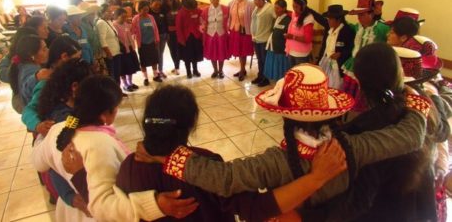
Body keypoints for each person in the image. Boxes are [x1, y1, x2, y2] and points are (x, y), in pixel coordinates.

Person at [146, 63, 430, 217]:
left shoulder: (276, 162)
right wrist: (417, 105)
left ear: (286, 117)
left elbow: (225, 178)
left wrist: (167, 157)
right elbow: (410, 137)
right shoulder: (354, 146)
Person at [115, 84, 346, 221]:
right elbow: (255, 207)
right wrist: (316, 178)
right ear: (190, 124)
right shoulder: (205, 162)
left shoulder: (127, 167)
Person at [299, 44, 451, 222]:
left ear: (360, 81)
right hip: (418, 210)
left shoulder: (366, 129)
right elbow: (442, 133)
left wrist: (305, 216)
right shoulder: (422, 107)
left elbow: (359, 201)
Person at [44, 76, 197, 221]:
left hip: (69, 212)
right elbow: (101, 207)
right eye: (117, 108)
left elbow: (39, 163)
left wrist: (68, 192)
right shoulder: (100, 144)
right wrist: (155, 204)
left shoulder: (58, 129)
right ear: (105, 115)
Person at [32, 58, 94, 221]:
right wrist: (70, 196)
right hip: (80, 201)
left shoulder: (63, 108)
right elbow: (56, 162)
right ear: (75, 87)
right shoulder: (64, 120)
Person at [341, 0, 390, 98]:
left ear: (371, 14)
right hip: (354, 64)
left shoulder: (383, 29)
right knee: (348, 96)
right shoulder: (358, 27)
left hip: (370, 68)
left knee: (364, 97)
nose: (359, 18)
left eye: (362, 15)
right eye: (358, 15)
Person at [313, 4, 355, 89]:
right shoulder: (330, 30)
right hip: (326, 62)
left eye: (331, 19)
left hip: (338, 67)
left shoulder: (347, 31)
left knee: (335, 88)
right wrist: (318, 62)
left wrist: (340, 54)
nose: (328, 21)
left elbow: (351, 48)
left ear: (339, 19)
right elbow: (325, 48)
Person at [8, 34, 50, 113]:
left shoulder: (24, 64)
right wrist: (36, 77)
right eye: (44, 49)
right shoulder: (31, 70)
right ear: (32, 55)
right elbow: (27, 87)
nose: (48, 51)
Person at [228, 0, 255, 81]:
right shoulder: (232, 3)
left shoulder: (250, 4)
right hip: (234, 30)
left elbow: (254, 18)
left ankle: (243, 70)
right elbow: (229, 17)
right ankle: (242, 69)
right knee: (239, 51)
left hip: (245, 31)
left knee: (243, 51)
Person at [131, 0, 162, 85]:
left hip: (152, 42)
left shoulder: (151, 17)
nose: (146, 11)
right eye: (144, 10)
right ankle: (145, 78)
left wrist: (157, 40)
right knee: (143, 62)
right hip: (142, 43)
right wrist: (134, 38)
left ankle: (156, 76)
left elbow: (155, 29)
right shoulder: (136, 19)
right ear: (139, 10)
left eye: (147, 9)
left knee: (154, 60)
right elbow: (132, 31)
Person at [201, 0, 230, 79]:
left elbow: (228, 20)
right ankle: (215, 70)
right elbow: (202, 22)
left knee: (221, 53)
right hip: (210, 34)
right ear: (210, 0)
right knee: (212, 53)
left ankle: (221, 71)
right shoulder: (206, 10)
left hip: (221, 34)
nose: (215, 0)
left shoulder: (225, 9)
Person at [250, 0, 275, 87]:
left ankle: (266, 78)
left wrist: (272, 31)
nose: (254, 1)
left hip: (264, 38)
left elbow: (276, 18)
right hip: (256, 38)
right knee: (259, 59)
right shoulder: (257, 7)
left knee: (264, 60)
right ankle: (260, 76)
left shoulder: (269, 8)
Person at [113, 7, 140, 92]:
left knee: (131, 67)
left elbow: (132, 31)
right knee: (123, 69)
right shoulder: (114, 25)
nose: (124, 19)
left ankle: (130, 83)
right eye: (122, 17)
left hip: (130, 48)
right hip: (122, 50)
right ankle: (125, 84)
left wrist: (130, 23)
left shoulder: (126, 24)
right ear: (117, 16)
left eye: (126, 16)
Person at [263, 0, 291, 81]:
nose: (276, 10)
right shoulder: (276, 18)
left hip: (281, 49)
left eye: (278, 8)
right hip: (273, 47)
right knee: (273, 69)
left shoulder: (288, 20)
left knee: (280, 71)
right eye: (275, 8)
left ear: (284, 8)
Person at [96, 4, 123, 88]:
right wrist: (108, 53)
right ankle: (113, 92)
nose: (111, 13)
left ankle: (118, 90)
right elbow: (102, 39)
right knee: (112, 75)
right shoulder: (101, 23)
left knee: (117, 73)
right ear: (102, 12)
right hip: (110, 54)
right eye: (109, 11)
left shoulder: (109, 21)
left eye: (111, 11)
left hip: (116, 52)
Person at [176, 0, 203, 79]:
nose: (191, 9)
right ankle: (188, 71)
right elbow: (178, 27)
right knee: (187, 56)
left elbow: (202, 21)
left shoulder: (198, 11)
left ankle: (195, 70)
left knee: (195, 54)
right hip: (186, 38)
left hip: (196, 36)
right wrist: (181, 39)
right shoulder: (181, 13)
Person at [79, 2, 108, 75]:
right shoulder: (82, 26)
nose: (94, 15)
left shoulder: (93, 23)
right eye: (91, 14)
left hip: (98, 54)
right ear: (86, 15)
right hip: (92, 56)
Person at [285, 0, 314, 66]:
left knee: (300, 74)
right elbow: (290, 13)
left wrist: (292, 37)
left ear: (303, 6)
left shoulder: (308, 18)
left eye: (296, 7)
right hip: (291, 50)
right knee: (293, 73)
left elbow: (308, 39)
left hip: (301, 54)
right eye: (293, 6)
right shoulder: (294, 14)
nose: (294, 9)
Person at [162, 0, 181, 75]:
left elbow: (181, 18)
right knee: (172, 50)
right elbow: (163, 21)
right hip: (169, 33)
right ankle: (176, 65)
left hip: (178, 31)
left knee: (178, 50)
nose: (169, 2)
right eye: (167, 1)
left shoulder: (178, 6)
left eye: (171, 0)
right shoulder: (163, 8)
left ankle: (177, 67)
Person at [150, 0, 168, 78]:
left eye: (159, 5)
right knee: (155, 54)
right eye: (155, 5)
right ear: (151, 4)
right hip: (153, 37)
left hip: (163, 35)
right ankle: (155, 71)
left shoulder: (162, 11)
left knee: (160, 54)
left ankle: (160, 71)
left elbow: (166, 23)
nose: (158, 6)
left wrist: (167, 33)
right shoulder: (149, 13)